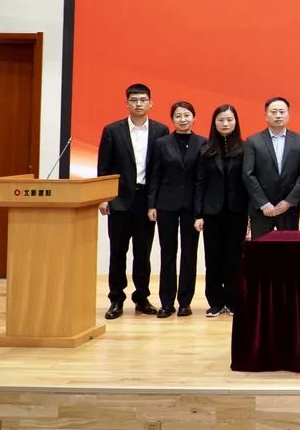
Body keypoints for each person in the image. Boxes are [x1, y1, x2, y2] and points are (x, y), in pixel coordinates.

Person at [97, 82, 169, 320]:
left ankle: (141, 297)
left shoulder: (160, 130)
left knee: (143, 253)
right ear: (126, 103)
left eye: (143, 100)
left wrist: (155, 202)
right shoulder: (112, 130)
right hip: (119, 200)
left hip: (146, 201)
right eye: (134, 100)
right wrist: (104, 198)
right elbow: (104, 167)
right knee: (118, 252)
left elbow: (160, 169)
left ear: (151, 103)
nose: (139, 104)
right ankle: (116, 298)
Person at [147, 101, 204, 318]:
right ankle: (167, 302)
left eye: (187, 115)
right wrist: (152, 204)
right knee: (168, 253)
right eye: (178, 116)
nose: (183, 119)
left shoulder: (203, 143)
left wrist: (200, 212)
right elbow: (155, 175)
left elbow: (202, 180)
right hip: (166, 204)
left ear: (194, 117)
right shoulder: (162, 143)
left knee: (189, 254)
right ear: (172, 119)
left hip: (191, 206)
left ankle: (185, 302)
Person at [194, 104, 247, 318]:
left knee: (235, 258)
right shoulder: (205, 149)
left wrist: (250, 217)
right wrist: (198, 214)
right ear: (214, 123)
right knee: (213, 258)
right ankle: (215, 301)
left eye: (229, 120)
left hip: (237, 212)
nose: (225, 124)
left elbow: (247, 183)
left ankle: (233, 300)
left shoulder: (245, 148)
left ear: (236, 122)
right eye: (221, 120)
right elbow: (200, 183)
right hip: (212, 213)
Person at [242, 96, 300, 239]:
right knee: (261, 250)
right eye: (273, 112)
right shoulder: (253, 141)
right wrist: (264, 204)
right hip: (261, 210)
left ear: (288, 115)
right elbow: (248, 174)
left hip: (288, 209)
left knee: (289, 249)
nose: (278, 115)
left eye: (282, 112)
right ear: (266, 116)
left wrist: (289, 202)